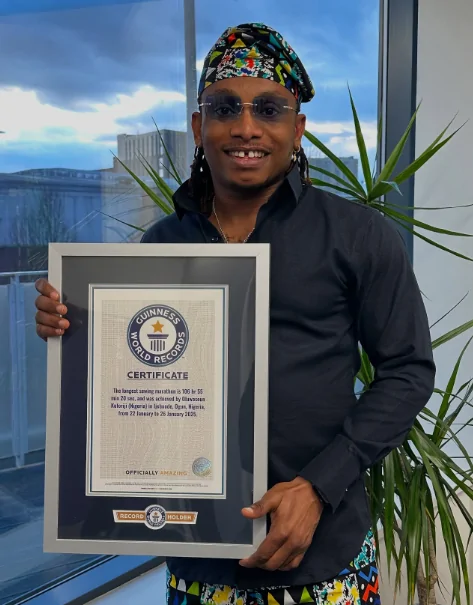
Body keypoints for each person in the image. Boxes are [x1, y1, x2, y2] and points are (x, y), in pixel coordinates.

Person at [35, 22, 435, 605]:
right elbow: (138, 372)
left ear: (297, 129)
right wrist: (70, 327)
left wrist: (318, 487)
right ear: (200, 127)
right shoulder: (163, 243)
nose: (246, 127)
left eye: (269, 109)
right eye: (225, 108)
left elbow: (408, 372)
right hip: (199, 566)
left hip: (326, 565)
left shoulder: (357, 235)